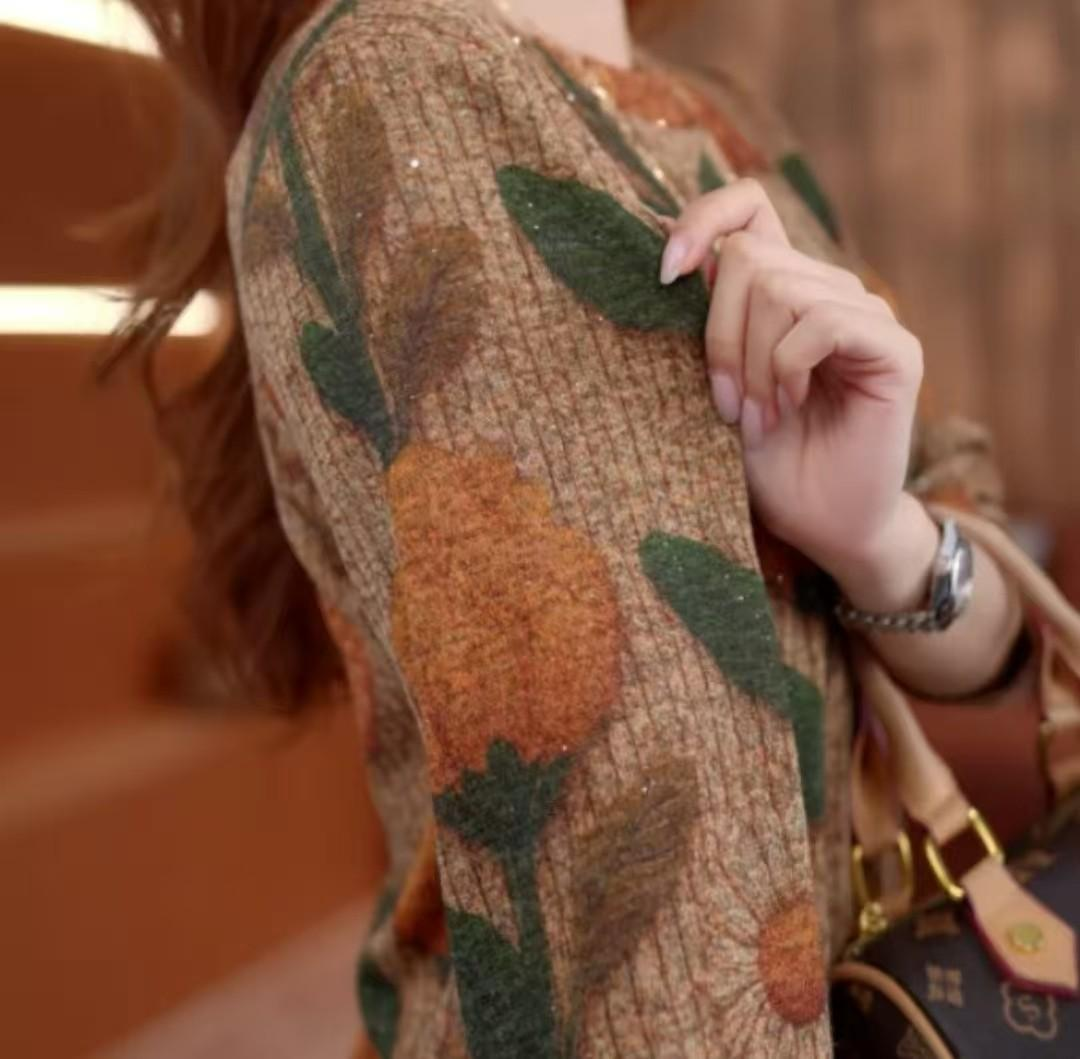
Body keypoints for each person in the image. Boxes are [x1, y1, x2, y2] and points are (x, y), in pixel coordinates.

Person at [115, 0, 1036, 1054]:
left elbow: (1007, 638)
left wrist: (878, 541)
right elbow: (645, 913)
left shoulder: (734, 123)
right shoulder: (403, 78)